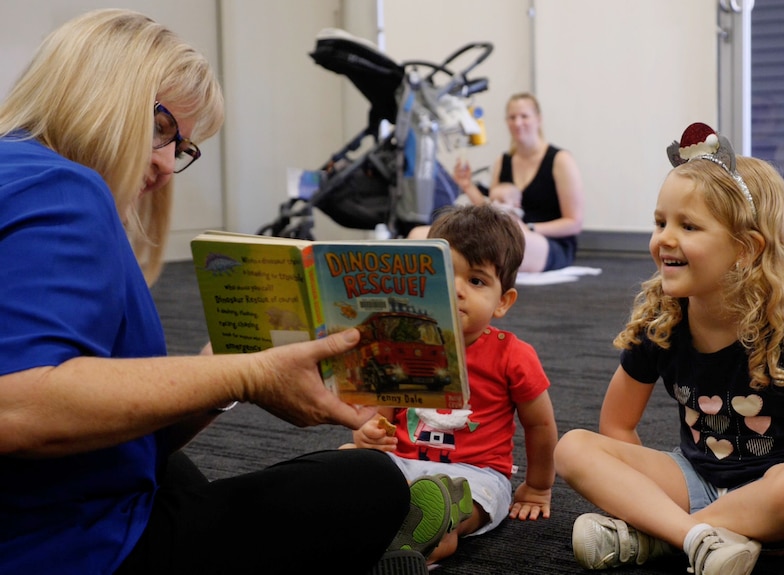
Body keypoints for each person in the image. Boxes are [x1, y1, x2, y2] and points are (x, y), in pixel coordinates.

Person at [0, 9, 444, 575]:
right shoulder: (64, 188)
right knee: (369, 483)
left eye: (180, 147)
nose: (165, 164)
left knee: (170, 468)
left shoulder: (15, 168)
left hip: (44, 500)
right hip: (58, 548)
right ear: (97, 90)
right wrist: (248, 375)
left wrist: (218, 379)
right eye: (161, 129)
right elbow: (16, 405)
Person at [553, 122, 784, 575]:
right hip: (696, 478)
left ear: (745, 249)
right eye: (660, 222)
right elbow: (618, 424)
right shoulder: (664, 320)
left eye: (688, 225)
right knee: (574, 448)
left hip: (777, 492)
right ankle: (696, 538)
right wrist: (640, 490)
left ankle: (654, 537)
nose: (665, 239)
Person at [350, 203, 559, 563]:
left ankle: (436, 534)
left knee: (467, 502)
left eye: (476, 280)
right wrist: (368, 433)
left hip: (474, 474)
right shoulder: (403, 341)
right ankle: (397, 529)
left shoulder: (512, 355)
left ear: (503, 302)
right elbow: (381, 410)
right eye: (443, 274)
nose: (456, 289)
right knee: (345, 462)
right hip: (402, 462)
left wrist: (538, 488)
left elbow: (540, 425)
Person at [409, 92, 585, 273]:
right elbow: (492, 211)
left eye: (524, 116)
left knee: (508, 240)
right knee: (418, 235)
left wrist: (529, 228)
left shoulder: (561, 160)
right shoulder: (504, 160)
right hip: (506, 235)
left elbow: (574, 222)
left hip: (546, 242)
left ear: (538, 119)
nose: (517, 123)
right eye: (512, 117)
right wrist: (467, 186)